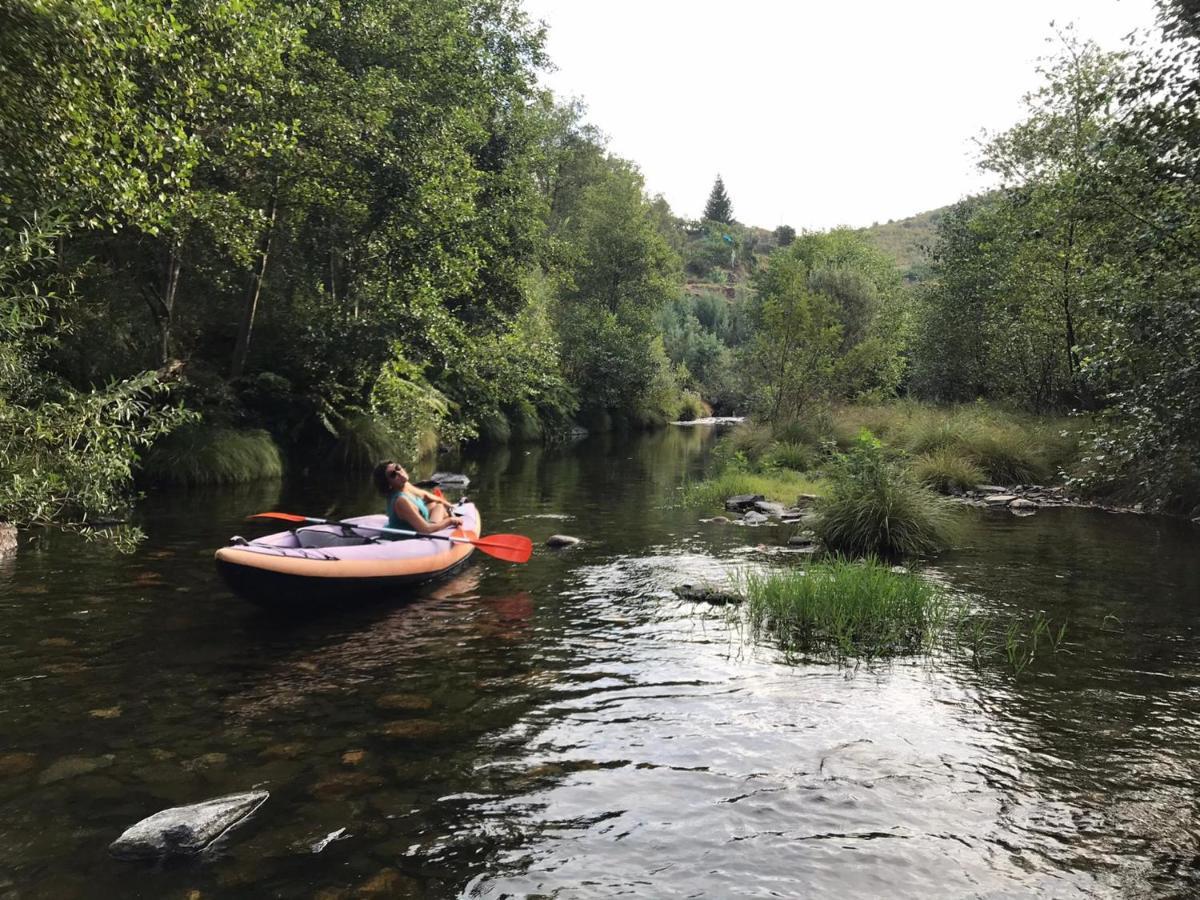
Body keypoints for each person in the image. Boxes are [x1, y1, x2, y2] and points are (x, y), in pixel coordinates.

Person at [372, 461, 464, 535]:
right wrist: (451, 521)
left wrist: (448, 505)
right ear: (388, 484)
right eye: (393, 474)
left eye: (397, 467)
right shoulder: (401, 501)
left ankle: (445, 513)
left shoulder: (405, 485)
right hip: (404, 540)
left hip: (417, 524)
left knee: (437, 505)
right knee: (440, 508)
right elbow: (425, 530)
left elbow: (425, 495)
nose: (399, 473)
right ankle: (445, 517)